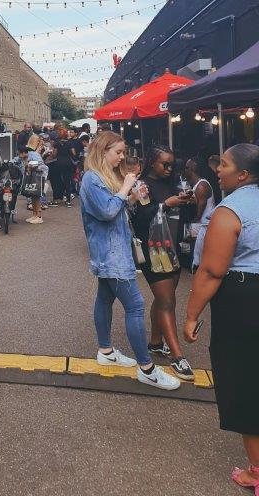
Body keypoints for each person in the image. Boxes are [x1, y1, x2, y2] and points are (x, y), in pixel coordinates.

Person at [80, 132, 180, 391]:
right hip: (112, 254)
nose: (123, 157)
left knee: (104, 297)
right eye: (119, 152)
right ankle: (146, 368)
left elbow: (116, 209)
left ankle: (106, 351)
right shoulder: (92, 179)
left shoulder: (100, 177)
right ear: (103, 151)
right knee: (135, 305)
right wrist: (125, 188)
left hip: (112, 251)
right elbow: (107, 211)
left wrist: (132, 198)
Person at [184, 144, 259, 490]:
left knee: (245, 380)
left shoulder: (230, 210)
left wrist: (191, 314)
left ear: (242, 175)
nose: (217, 168)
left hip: (244, 300)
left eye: (223, 164)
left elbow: (212, 271)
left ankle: (257, 472)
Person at [129, 145, 195, 380]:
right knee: (168, 300)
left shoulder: (174, 181)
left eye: (172, 164)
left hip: (172, 245)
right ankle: (178, 356)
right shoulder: (142, 185)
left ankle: (156, 343)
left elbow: (182, 214)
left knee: (163, 298)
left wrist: (187, 201)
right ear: (152, 162)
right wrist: (166, 204)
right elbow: (141, 219)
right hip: (153, 249)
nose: (169, 168)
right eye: (164, 164)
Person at [185, 157, 218, 269]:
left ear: (192, 169)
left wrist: (192, 221)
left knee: (197, 252)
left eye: (186, 168)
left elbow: (200, 209)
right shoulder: (196, 185)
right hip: (200, 224)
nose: (185, 170)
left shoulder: (201, 186)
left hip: (203, 224)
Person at [17, 145, 48, 224]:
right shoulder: (25, 157)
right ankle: (34, 215)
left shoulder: (34, 155)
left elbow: (42, 166)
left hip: (39, 177)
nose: (19, 156)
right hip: (32, 176)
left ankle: (39, 216)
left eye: (20, 154)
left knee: (37, 196)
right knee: (33, 195)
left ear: (24, 153)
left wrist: (31, 166)